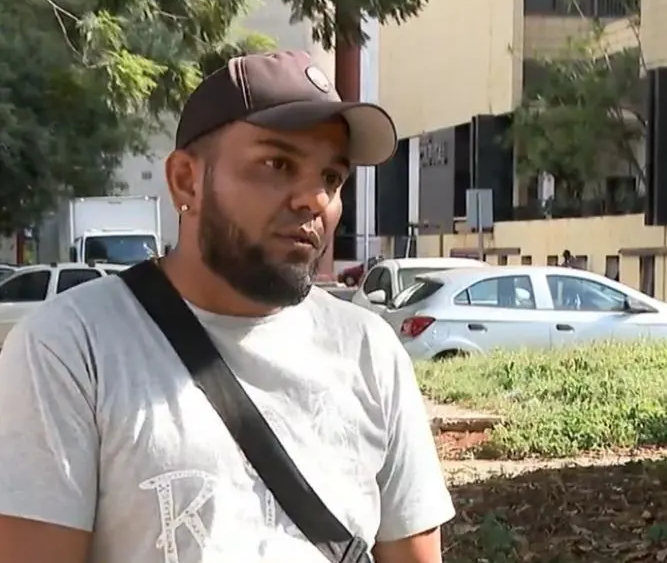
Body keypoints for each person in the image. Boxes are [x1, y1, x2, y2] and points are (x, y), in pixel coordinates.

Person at [0, 51, 454, 563]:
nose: (314, 200)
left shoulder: (371, 352)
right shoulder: (69, 349)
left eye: (331, 177)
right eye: (277, 164)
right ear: (186, 181)